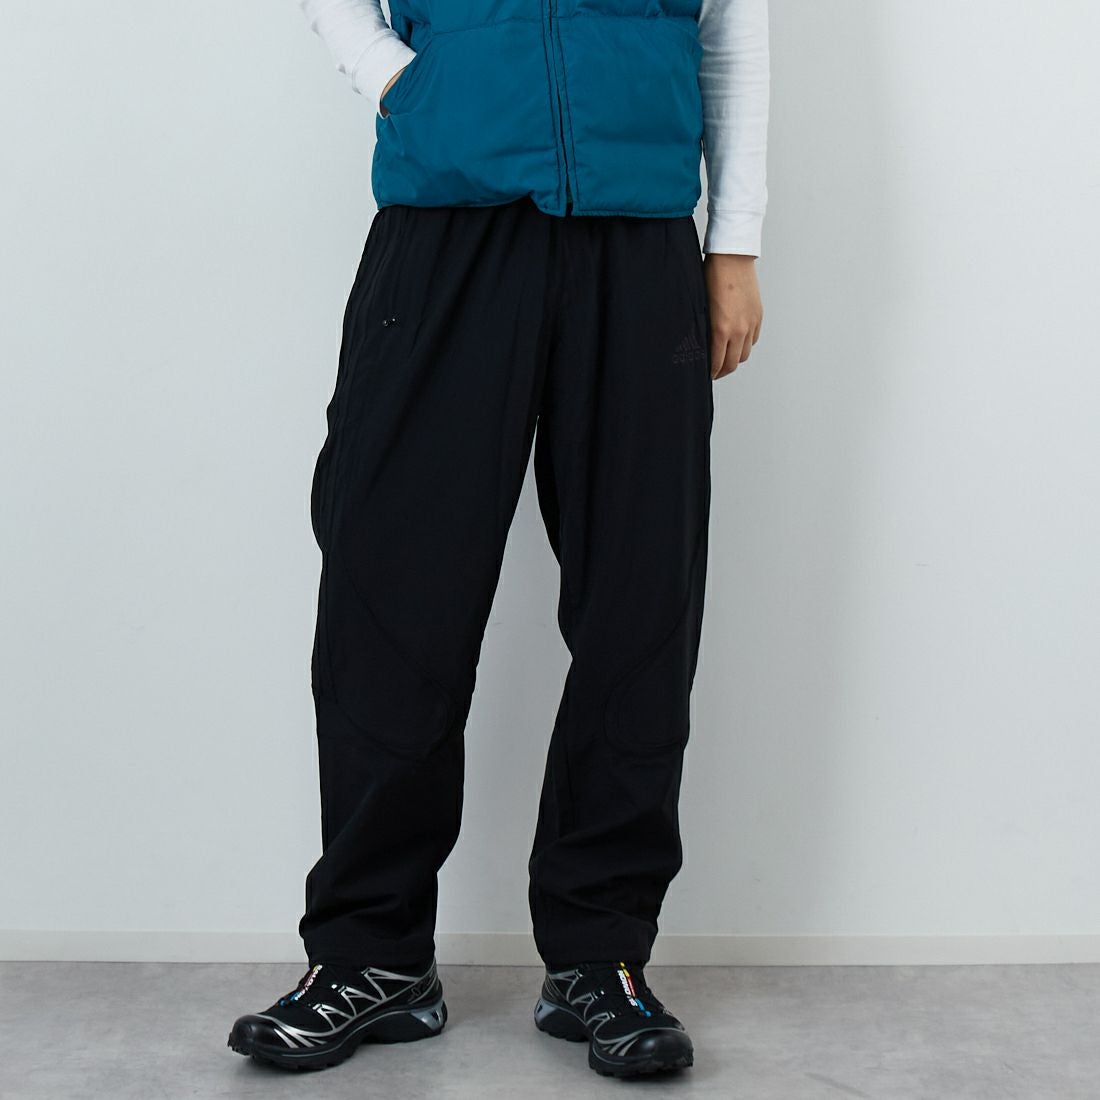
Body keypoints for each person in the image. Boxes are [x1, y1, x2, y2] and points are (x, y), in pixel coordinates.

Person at [228, 0, 768, 1079]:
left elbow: (732, 25)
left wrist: (735, 239)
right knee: (391, 594)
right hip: (443, 226)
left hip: (637, 237)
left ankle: (600, 956)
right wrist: (400, 79)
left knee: (639, 606)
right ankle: (370, 954)